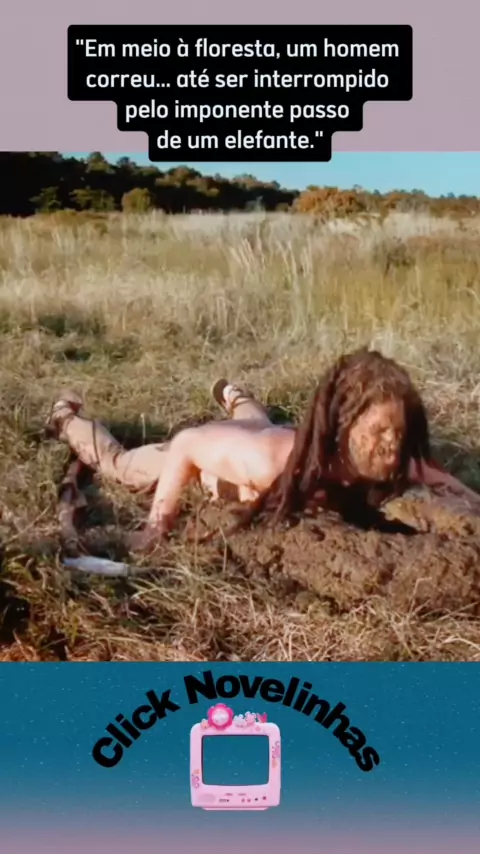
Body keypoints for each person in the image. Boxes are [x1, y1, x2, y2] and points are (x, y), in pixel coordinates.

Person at [46, 347, 480, 552]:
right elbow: (188, 445)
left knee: (258, 422)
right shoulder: (269, 461)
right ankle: (65, 417)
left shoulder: (392, 459)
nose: (392, 444)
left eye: (399, 432)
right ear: (345, 430)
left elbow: (436, 475)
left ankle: (232, 392)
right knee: (123, 466)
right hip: (207, 465)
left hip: (265, 432)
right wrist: (157, 527)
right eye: (380, 431)